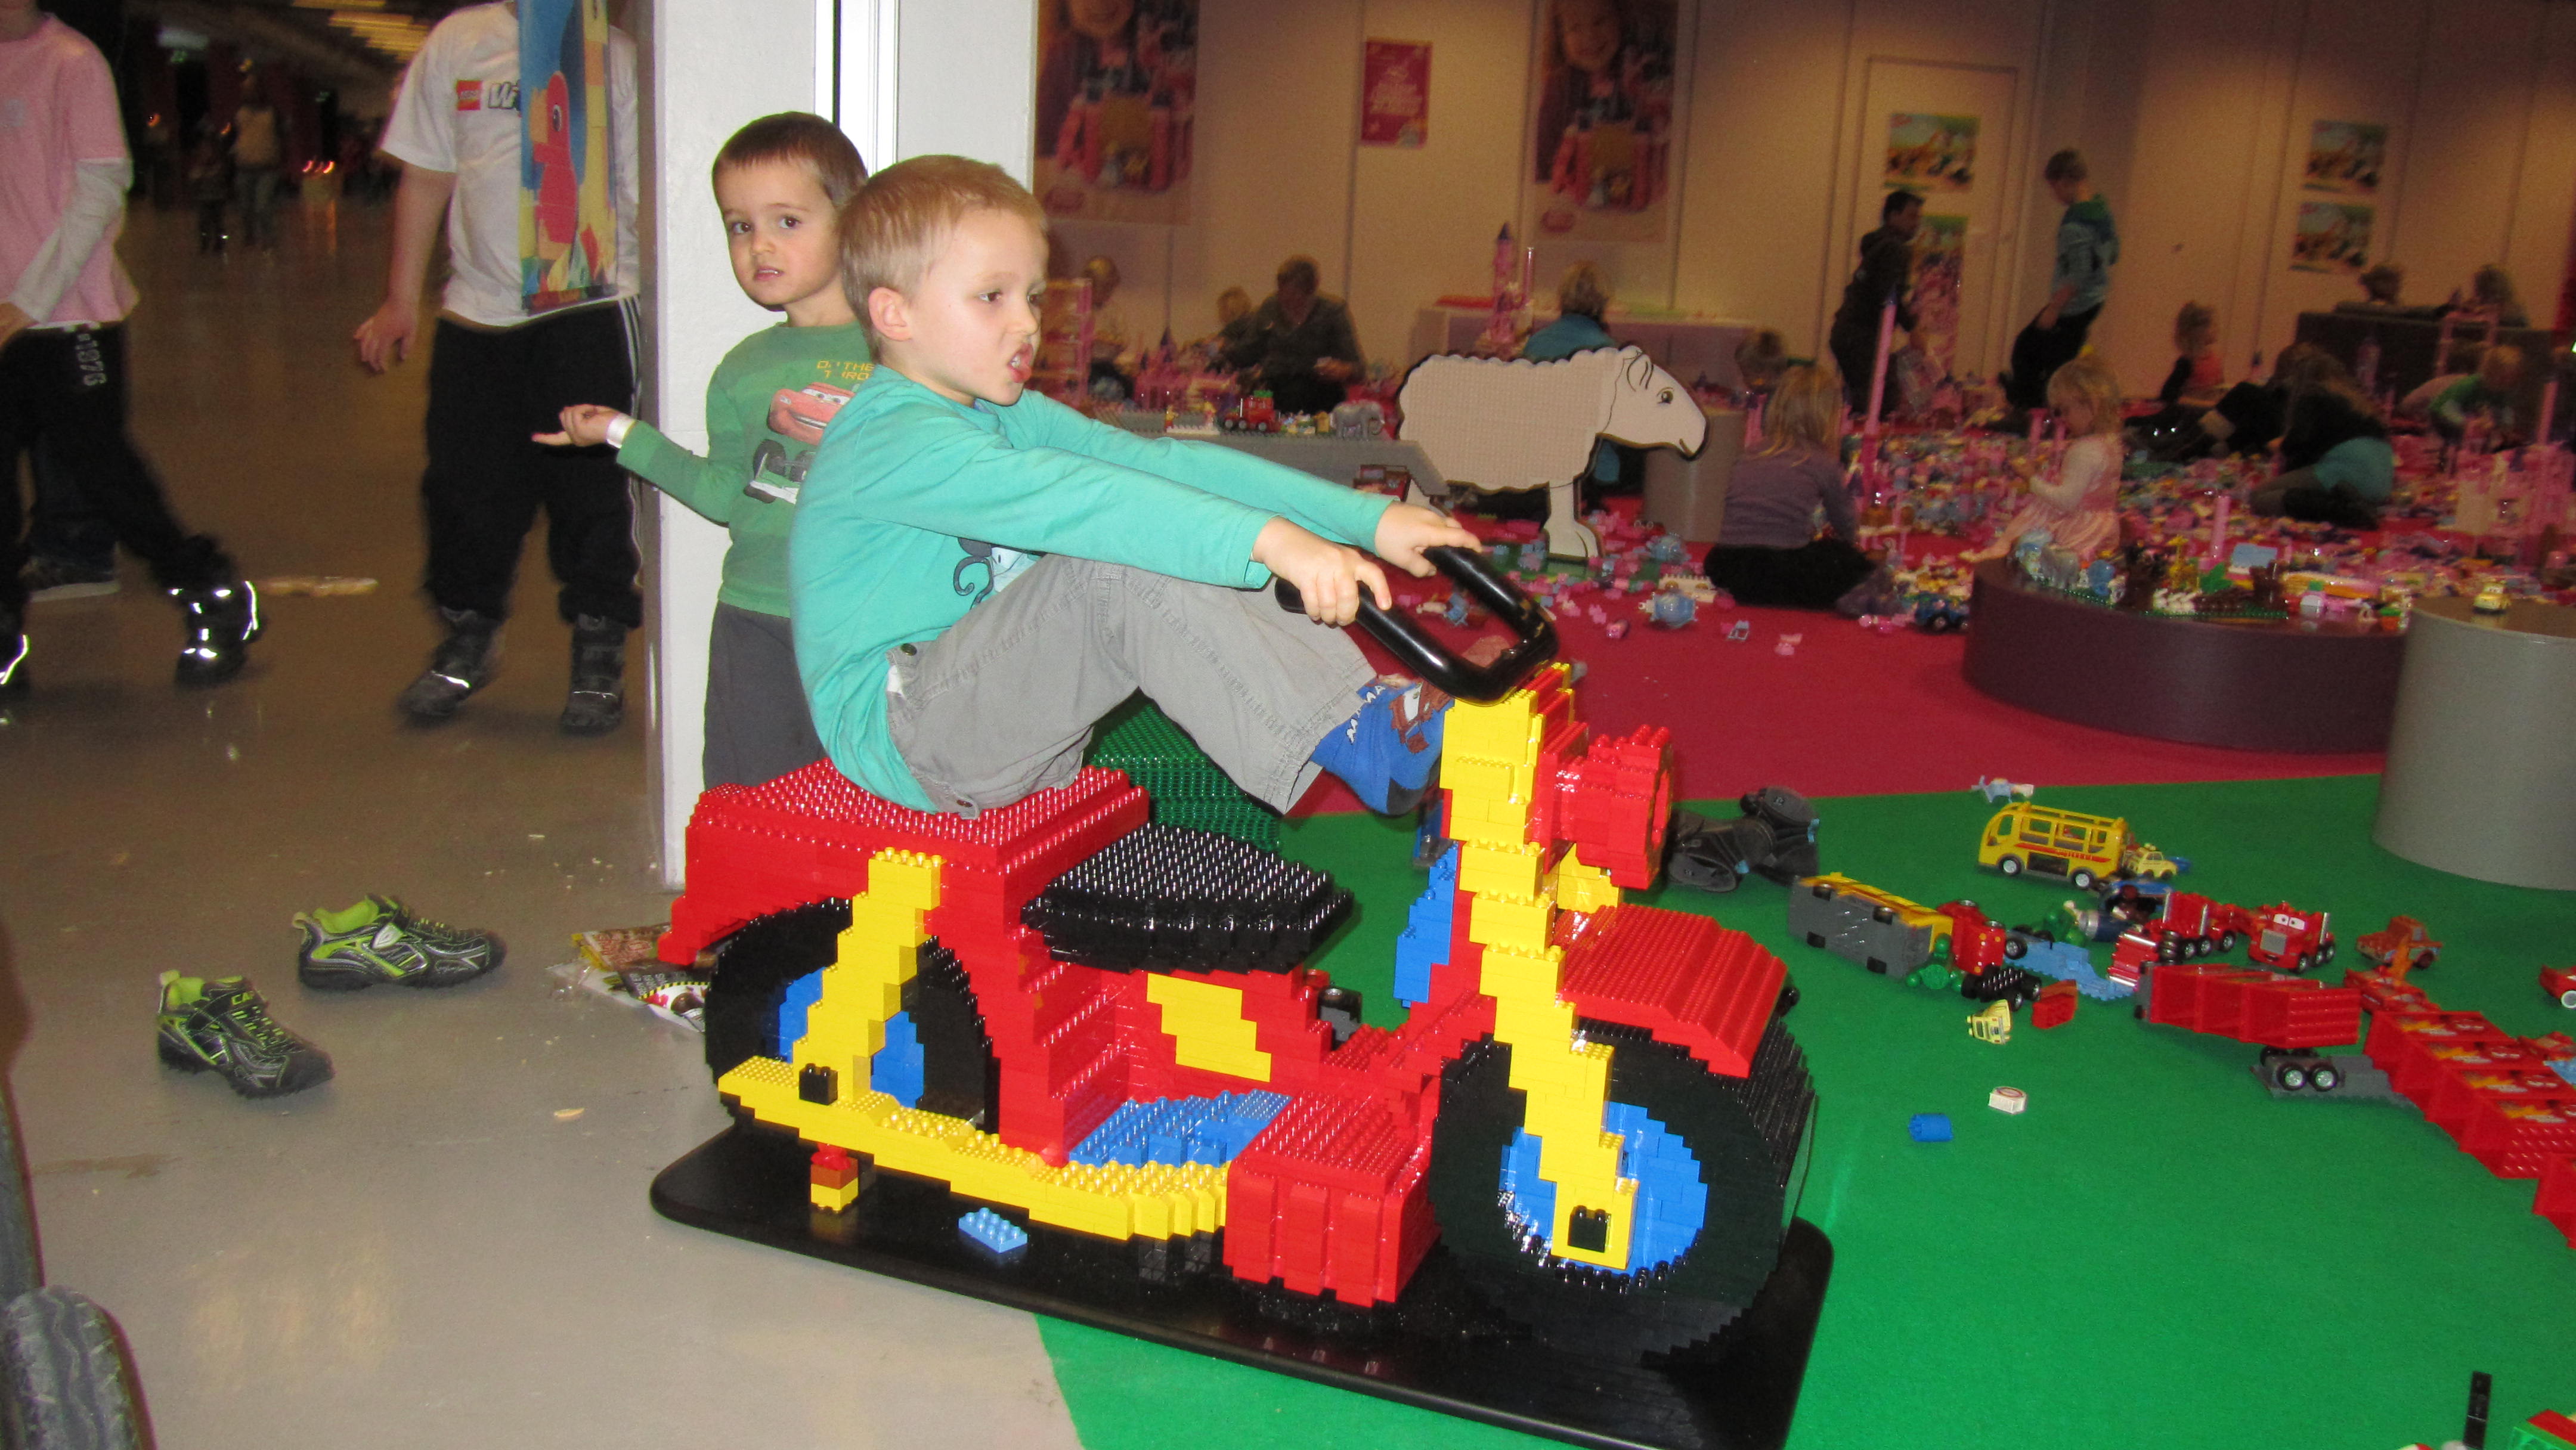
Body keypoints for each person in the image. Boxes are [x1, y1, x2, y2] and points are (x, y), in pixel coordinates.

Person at [793, 154, 1479, 823]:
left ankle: (1360, 713)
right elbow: (1083, 499)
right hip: (910, 735)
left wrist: (1367, 519)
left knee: (1168, 527)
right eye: (992, 296)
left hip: (993, 707)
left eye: (1032, 297)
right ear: (896, 315)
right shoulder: (889, 439)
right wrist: (1269, 539)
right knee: (1117, 561)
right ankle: (1363, 736)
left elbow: (1162, 466)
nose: (1029, 323)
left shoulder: (1004, 411)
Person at [537, 114, 868, 789]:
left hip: (871, 622)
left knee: (873, 811)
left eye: (787, 221)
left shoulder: (906, 351)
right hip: (756, 619)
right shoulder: (742, 369)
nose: (759, 245)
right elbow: (724, 494)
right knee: (750, 806)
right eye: (739, 226)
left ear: (854, 219)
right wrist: (619, 433)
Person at [355, 0, 643, 735]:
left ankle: (599, 646)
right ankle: (468, 633)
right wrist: (400, 300)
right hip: (477, 314)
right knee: (464, 489)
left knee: (592, 492)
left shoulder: (613, 56)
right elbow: (426, 175)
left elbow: (641, 197)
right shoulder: (459, 41)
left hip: (587, 304)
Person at [1, 0, 263, 695]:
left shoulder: (72, 63)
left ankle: (212, 595)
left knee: (103, 476)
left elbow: (100, 188)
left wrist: (27, 300)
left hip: (68, 319)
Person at [1699, 363, 1890, 615]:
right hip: (1784, 568)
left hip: (1730, 566)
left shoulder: (1752, 453)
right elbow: (1846, 523)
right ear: (1826, 418)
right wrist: (1851, 545)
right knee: (1841, 559)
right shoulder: (1820, 460)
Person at [1968, 354, 2125, 562]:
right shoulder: (2112, 442)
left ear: (2091, 404)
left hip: (2078, 529)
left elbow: (2065, 502)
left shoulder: (2084, 450)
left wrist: (2031, 479)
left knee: (2034, 527)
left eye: (2066, 410)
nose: (2063, 419)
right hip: (2102, 526)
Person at [2004, 150, 2116, 413]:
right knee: (2050, 354)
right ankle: (2036, 405)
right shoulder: (2101, 211)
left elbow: (2079, 272)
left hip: (2073, 305)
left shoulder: (2076, 224)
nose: (2055, 195)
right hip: (2093, 299)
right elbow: (2112, 254)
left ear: (2066, 181)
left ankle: (2032, 409)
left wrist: (2055, 308)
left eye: (2054, 188)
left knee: (2030, 350)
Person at [2250, 351, 2391, 530]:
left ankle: (2342, 511)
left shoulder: (2313, 398)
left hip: (2346, 472)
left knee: (2261, 497)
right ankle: (2345, 504)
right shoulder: (2355, 401)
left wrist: (2278, 450)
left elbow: (2297, 445)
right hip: (2380, 481)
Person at [1521, 262, 1627, 498]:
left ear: (1562, 299)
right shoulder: (1609, 350)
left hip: (1538, 466)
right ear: (1603, 303)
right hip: (1594, 472)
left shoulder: (1536, 344)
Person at [1221, 255, 1363, 416]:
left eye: (1297, 298)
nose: (1289, 305)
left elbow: (1358, 369)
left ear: (1313, 290)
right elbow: (1248, 352)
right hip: (1275, 402)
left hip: (1322, 404)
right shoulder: (1271, 308)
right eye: (1284, 297)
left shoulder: (1333, 313)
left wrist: (1343, 370)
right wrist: (1224, 348)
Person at [1828, 189, 1922, 413]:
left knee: (1861, 398)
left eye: (1918, 217)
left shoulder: (1877, 245)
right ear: (1893, 216)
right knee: (1880, 400)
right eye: (1911, 216)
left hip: (1847, 332)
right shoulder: (1895, 249)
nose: (1917, 223)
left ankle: (1852, 428)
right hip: (1862, 334)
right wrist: (1912, 327)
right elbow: (1889, 294)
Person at [230, 73, 284, 249]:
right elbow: (234, 137)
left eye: (252, 89)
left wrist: (281, 159)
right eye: (246, 90)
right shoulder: (240, 113)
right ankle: (250, 235)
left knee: (263, 205)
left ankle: (268, 237)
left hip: (268, 167)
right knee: (245, 207)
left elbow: (282, 137)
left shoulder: (273, 112)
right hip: (244, 166)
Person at [2429, 343, 2522, 443]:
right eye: (2503, 378)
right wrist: (2466, 423)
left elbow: (2505, 411)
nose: (2507, 382)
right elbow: (2447, 409)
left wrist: (2506, 427)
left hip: (2467, 418)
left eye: (2511, 378)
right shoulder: (2470, 385)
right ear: (2490, 372)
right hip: (2440, 416)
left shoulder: (2501, 391)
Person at [1080, 254, 1136, 395]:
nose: (1106, 293)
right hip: (1085, 365)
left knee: (1127, 386)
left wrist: (1109, 339)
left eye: (1109, 289)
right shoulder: (1080, 310)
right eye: (1102, 288)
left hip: (1107, 364)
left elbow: (1124, 341)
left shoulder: (1114, 311)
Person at [2160, 302, 2224, 410]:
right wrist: (2206, 404)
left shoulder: (2214, 359)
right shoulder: (2188, 362)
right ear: (2199, 331)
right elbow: (2168, 395)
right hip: (2190, 414)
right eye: (2213, 326)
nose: (2217, 329)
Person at [185, 123, 230, 253]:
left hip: (218, 198)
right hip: (203, 199)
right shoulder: (198, 169)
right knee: (203, 222)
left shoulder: (219, 167)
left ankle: (220, 242)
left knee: (218, 222)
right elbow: (193, 181)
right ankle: (204, 242)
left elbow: (224, 181)